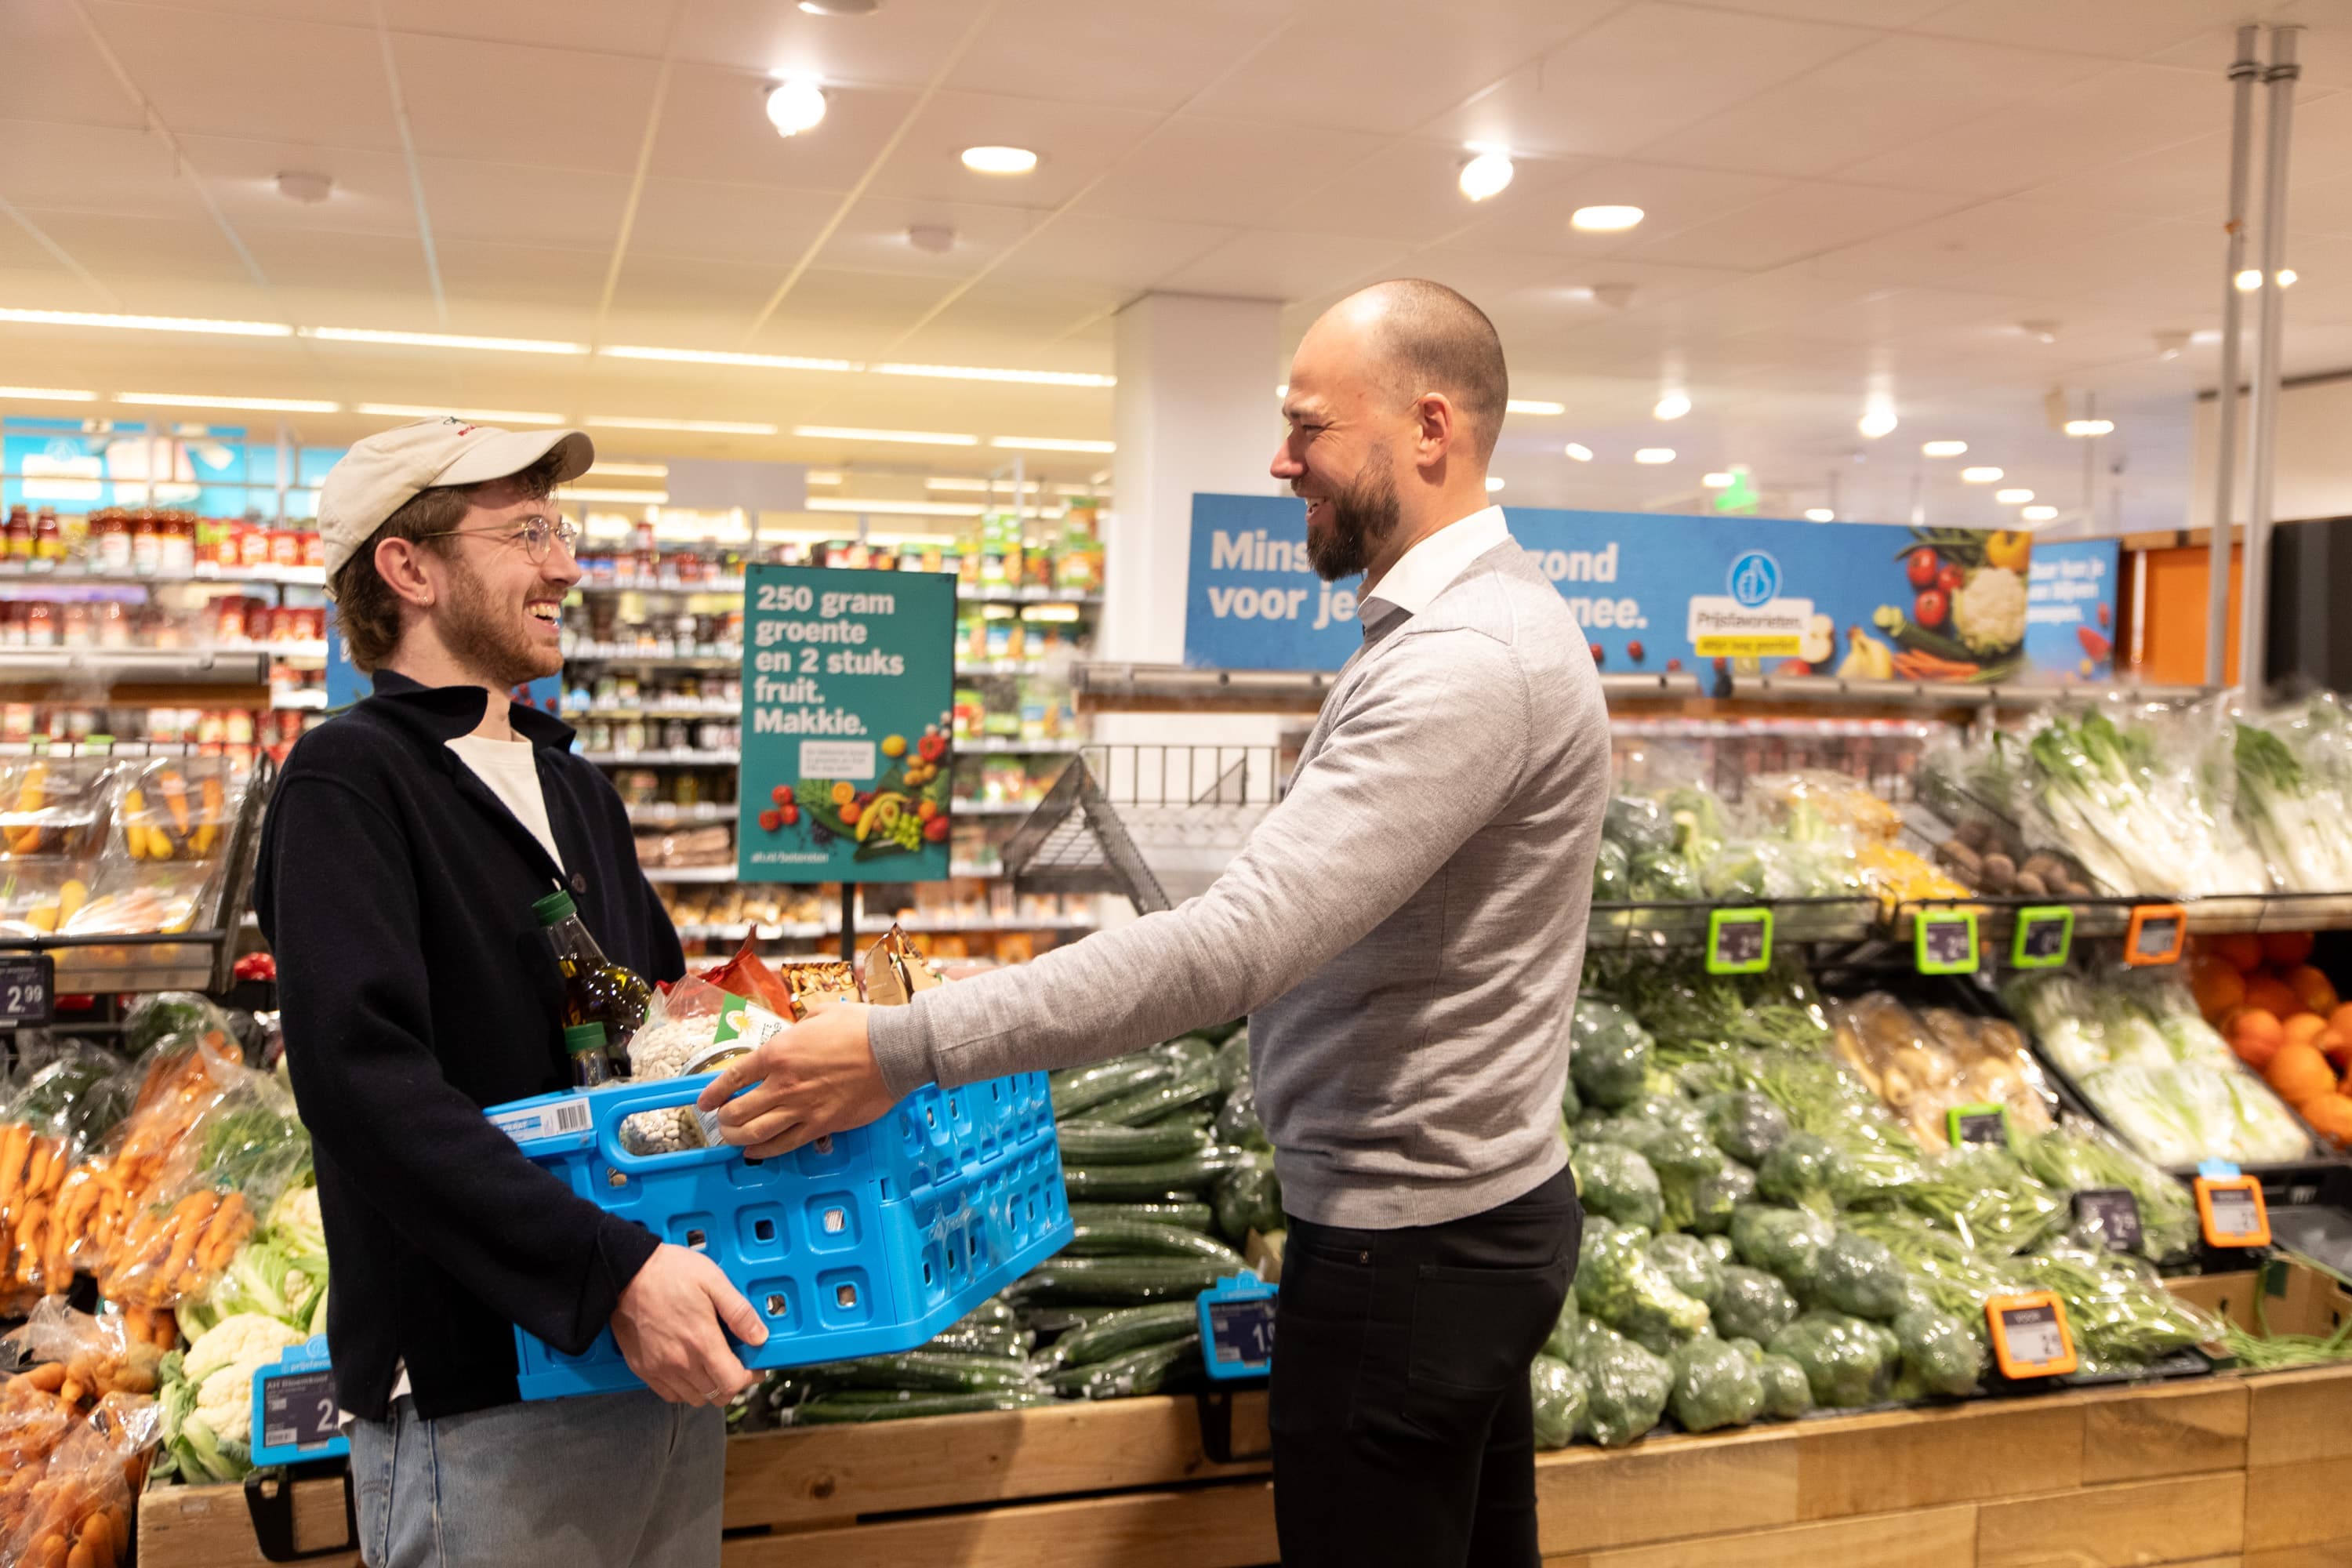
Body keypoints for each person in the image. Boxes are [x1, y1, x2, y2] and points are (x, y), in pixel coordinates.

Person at [698, 280, 1610, 1566]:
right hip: (1457, 1225)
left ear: (1428, 427)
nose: (1280, 458)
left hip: (1410, 1257)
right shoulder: (1474, 631)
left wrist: (900, 1044)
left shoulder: (1468, 662)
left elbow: (1234, 946)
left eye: (1308, 425)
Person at [253, 419, 765, 1568]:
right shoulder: (351, 779)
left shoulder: (578, 789)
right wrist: (606, 1270)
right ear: (410, 566)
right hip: (480, 1385)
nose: (566, 565)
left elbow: (651, 1039)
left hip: (647, 1356)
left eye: (560, 527)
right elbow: (364, 1085)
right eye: (529, 530)